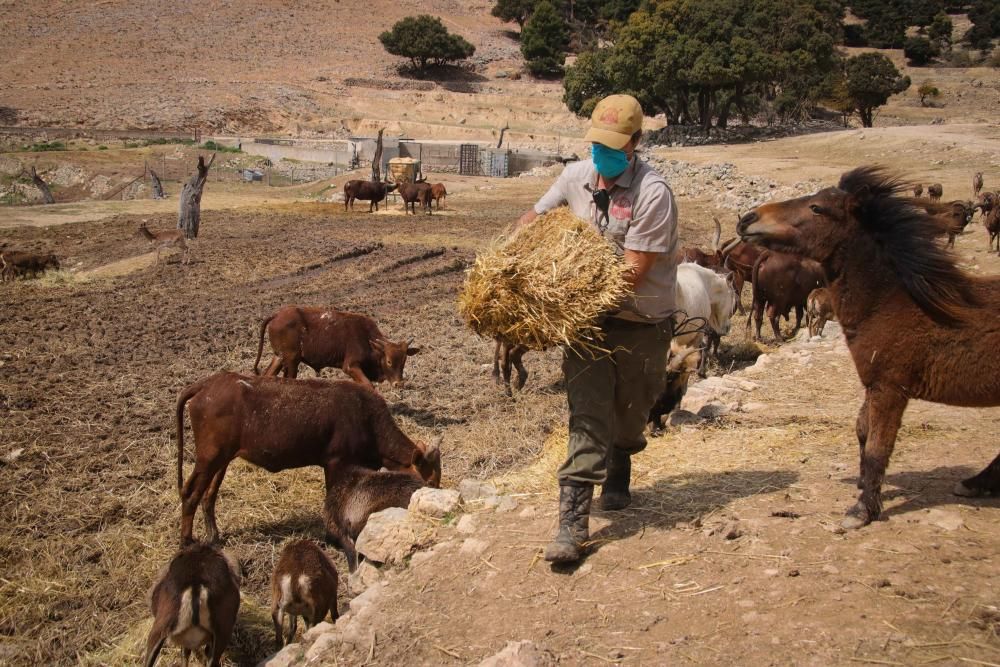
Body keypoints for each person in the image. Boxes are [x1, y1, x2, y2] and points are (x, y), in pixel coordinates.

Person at [517, 94, 679, 563]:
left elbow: (633, 272)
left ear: (635, 142)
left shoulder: (653, 194)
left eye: (613, 145)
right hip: (588, 322)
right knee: (587, 415)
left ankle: (622, 455)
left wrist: (570, 290)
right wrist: (512, 255)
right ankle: (571, 525)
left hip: (641, 321)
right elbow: (535, 217)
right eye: (597, 144)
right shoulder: (576, 177)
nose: (603, 154)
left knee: (630, 412)